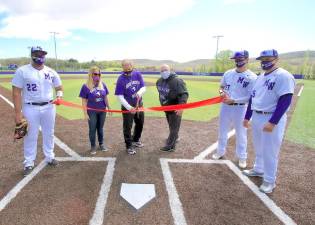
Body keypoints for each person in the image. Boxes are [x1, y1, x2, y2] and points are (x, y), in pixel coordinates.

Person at [242, 49, 295, 194]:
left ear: (276, 59)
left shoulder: (283, 76)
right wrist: (247, 116)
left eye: (268, 59)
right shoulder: (260, 77)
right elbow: (253, 98)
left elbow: (285, 100)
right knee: (259, 147)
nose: (264, 61)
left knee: (270, 151)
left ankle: (270, 181)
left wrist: (273, 122)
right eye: (262, 59)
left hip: (271, 116)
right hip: (258, 116)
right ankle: (258, 169)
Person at [12, 46, 63, 176]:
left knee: (49, 133)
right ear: (32, 55)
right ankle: (29, 162)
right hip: (30, 107)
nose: (40, 56)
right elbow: (16, 92)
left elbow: (59, 86)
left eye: (42, 54)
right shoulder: (22, 71)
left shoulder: (50, 71)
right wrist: (18, 114)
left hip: (49, 107)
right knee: (30, 135)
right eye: (38, 54)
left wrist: (59, 96)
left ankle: (50, 156)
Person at [212, 50, 257, 169]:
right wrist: (222, 93)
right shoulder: (228, 73)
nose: (238, 62)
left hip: (240, 108)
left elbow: (250, 97)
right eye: (236, 60)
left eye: (241, 59)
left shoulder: (252, 77)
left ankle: (242, 157)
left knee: (241, 134)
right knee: (222, 131)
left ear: (247, 60)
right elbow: (221, 87)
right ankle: (220, 152)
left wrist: (234, 100)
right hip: (225, 107)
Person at [114, 59, 146, 155]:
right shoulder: (120, 79)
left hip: (139, 105)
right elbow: (119, 96)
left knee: (140, 123)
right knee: (127, 127)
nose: (127, 66)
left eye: (129, 64)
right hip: (128, 107)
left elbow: (143, 87)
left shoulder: (137, 74)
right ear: (122, 67)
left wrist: (139, 93)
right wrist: (129, 107)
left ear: (132, 65)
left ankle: (136, 140)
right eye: (125, 65)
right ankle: (129, 146)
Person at [156, 64, 189, 152]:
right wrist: (163, 105)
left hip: (176, 109)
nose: (164, 72)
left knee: (174, 127)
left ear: (170, 70)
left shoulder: (177, 81)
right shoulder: (159, 81)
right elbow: (161, 94)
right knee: (171, 125)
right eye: (162, 71)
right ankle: (175, 137)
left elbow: (184, 94)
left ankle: (170, 146)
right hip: (166, 108)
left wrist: (181, 107)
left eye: (165, 70)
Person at [79, 66, 111, 154]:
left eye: (99, 74)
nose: (98, 75)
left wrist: (109, 107)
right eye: (96, 74)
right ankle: (93, 146)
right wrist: (85, 113)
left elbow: (105, 97)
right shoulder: (85, 86)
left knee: (100, 128)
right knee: (92, 129)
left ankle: (101, 144)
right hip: (91, 111)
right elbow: (84, 101)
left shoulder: (102, 84)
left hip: (102, 111)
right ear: (91, 74)